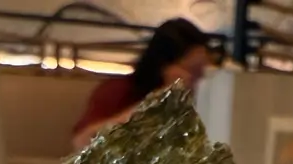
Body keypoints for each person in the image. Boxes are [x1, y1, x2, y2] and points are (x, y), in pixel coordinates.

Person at [71, 18, 211, 151]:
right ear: (163, 67)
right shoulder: (119, 91)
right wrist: (159, 100)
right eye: (192, 71)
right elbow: (82, 142)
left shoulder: (202, 104)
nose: (199, 80)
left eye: (203, 72)